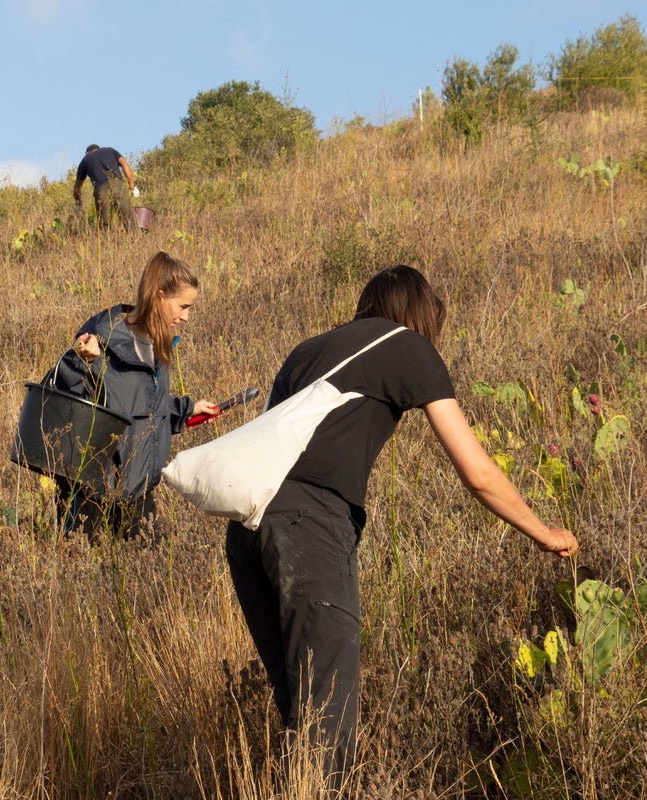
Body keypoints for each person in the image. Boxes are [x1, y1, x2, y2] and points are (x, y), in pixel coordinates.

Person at [225, 265, 579, 792]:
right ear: (419, 314)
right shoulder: (407, 346)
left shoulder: (308, 349)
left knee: (302, 715)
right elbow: (478, 473)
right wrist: (545, 532)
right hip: (310, 527)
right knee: (326, 725)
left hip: (246, 531)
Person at [53, 251, 217, 539]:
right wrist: (79, 361)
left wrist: (185, 409)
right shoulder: (101, 337)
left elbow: (141, 405)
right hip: (92, 496)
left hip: (139, 490)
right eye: (183, 306)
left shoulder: (157, 345)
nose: (187, 317)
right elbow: (62, 401)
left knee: (147, 572)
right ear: (160, 295)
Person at [73, 143, 140, 231]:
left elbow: (77, 187)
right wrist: (132, 185)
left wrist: (79, 203)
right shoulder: (110, 150)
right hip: (117, 184)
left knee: (104, 223)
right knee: (128, 217)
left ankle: (106, 243)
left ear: (87, 153)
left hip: (100, 189)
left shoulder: (85, 160)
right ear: (99, 149)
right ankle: (136, 240)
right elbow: (124, 164)